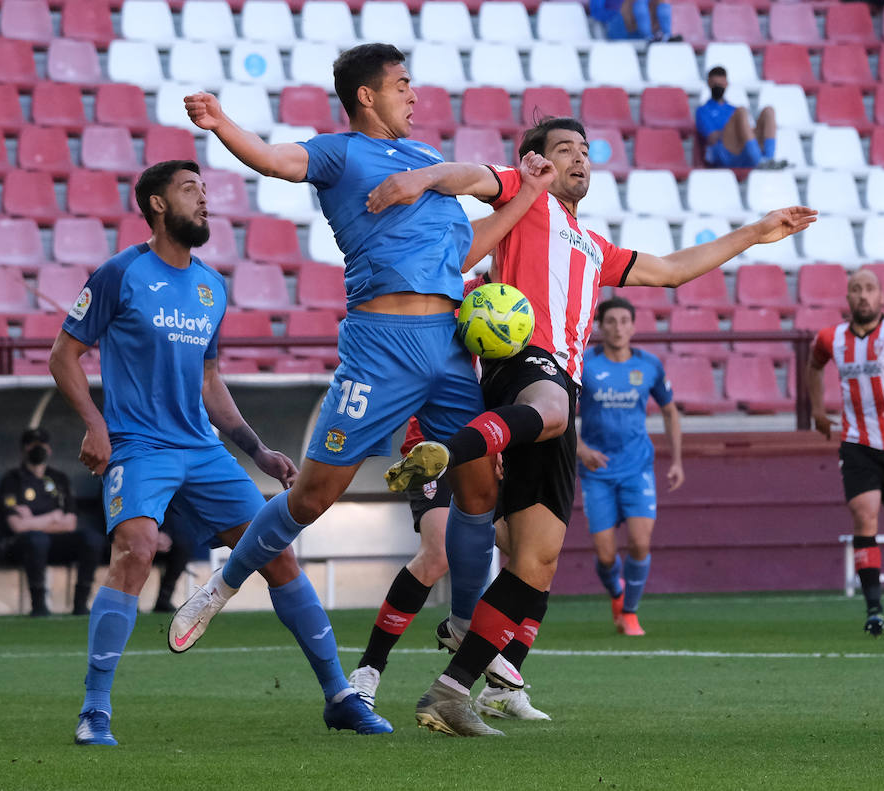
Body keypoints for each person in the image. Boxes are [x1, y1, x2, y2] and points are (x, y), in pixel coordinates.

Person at [382, 116, 817, 736]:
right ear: (536, 161)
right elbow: (472, 176)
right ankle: (448, 452)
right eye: (565, 150)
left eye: (586, 151)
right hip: (527, 364)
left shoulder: (593, 247)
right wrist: (421, 178)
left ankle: (452, 693)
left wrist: (753, 232)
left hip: (554, 390)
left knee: (537, 561)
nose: (579, 159)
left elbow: (668, 270)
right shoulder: (523, 193)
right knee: (555, 418)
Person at [167, 44, 552, 671]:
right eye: (403, 85)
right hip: (381, 349)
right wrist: (222, 123)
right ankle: (223, 584)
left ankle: (461, 623)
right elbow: (276, 160)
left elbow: (457, 256)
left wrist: (526, 196)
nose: (414, 95)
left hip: (452, 348)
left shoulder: (427, 160)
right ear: (367, 96)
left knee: (480, 493)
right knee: (313, 497)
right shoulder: (340, 153)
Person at [52, 160, 392, 747]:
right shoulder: (120, 273)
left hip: (203, 450)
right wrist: (94, 425)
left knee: (278, 557)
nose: (204, 200)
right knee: (134, 550)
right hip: (139, 446)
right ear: (157, 205)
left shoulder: (213, 286)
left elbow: (210, 381)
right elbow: (64, 355)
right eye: (190, 190)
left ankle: (340, 696)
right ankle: (95, 709)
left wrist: (256, 449)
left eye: (205, 190)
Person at [348, 417, 551, 722]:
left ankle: (501, 693)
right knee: (437, 552)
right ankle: (368, 670)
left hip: (494, 446)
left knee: (536, 558)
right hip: (437, 442)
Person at [806, 269, 884, 637]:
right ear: (848, 298)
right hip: (856, 442)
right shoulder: (831, 337)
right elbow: (814, 364)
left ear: (881, 296)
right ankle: (874, 610)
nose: (862, 295)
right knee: (863, 514)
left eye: (869, 288)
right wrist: (817, 411)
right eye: (856, 289)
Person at [576, 296, 683, 637]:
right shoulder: (584, 366)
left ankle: (631, 613)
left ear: (634, 326)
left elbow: (669, 411)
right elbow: (559, 410)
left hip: (637, 467)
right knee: (606, 555)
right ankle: (617, 595)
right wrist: (580, 449)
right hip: (597, 471)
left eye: (624, 321)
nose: (618, 327)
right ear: (600, 326)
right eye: (611, 321)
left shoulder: (649, 365)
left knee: (640, 543)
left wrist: (677, 460)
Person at [0, 426, 104, 617]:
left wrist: (32, 519)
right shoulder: (12, 480)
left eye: (42, 445)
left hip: (55, 545)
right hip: (22, 547)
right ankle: (39, 605)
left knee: (92, 539)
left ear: (49, 449)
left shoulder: (59, 479)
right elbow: (18, 526)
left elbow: (70, 524)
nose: (38, 449)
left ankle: (81, 604)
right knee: (37, 540)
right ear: (24, 449)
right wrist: (52, 517)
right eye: (32, 445)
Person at [695, 67, 782, 170]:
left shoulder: (732, 109)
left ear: (726, 84)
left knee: (769, 111)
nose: (718, 87)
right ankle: (759, 162)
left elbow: (747, 132)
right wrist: (736, 130)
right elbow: (713, 138)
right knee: (741, 111)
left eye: (721, 84)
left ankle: (769, 160)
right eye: (715, 84)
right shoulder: (703, 110)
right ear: (709, 83)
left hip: (743, 151)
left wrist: (742, 131)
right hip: (722, 153)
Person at [590, 0, 674, 42]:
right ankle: (649, 36)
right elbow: (596, 13)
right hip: (615, 27)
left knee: (661, 2)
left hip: (639, 27)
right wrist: (619, 13)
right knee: (638, 2)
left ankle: (666, 35)